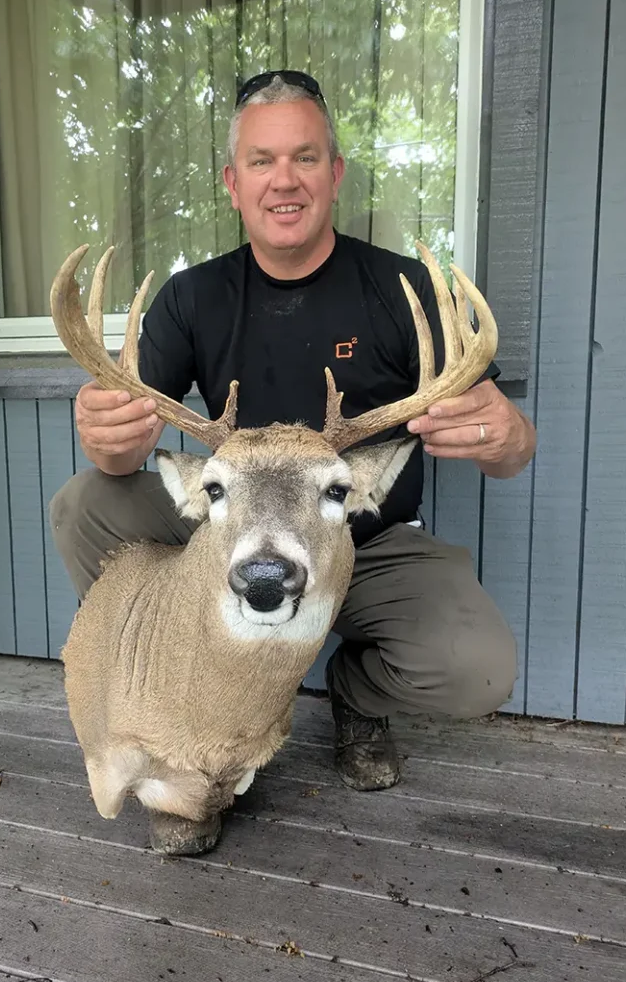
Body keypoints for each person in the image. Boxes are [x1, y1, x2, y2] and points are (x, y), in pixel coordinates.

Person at [51, 70, 536, 807]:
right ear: (232, 181)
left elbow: (509, 449)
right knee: (86, 501)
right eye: (262, 161)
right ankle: (180, 699)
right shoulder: (194, 297)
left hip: (366, 542)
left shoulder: (399, 290)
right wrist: (109, 440)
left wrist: (506, 440)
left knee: (475, 668)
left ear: (334, 174)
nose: (285, 181)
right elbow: (119, 444)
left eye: (304, 158)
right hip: (238, 537)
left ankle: (355, 695)